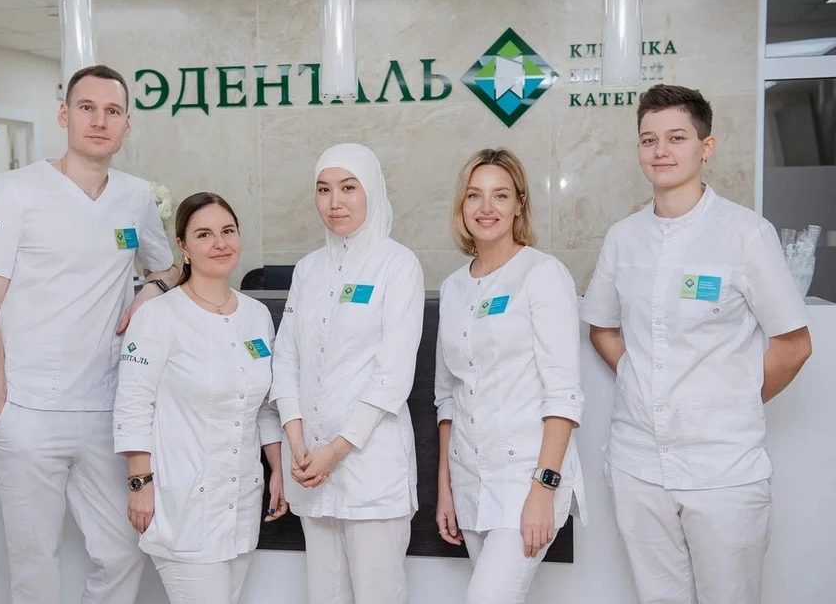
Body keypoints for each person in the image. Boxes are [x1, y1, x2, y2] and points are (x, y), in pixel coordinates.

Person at [581, 84, 813, 604]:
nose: (661, 151)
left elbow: (794, 344)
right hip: (638, 462)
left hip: (723, 468)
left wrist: (731, 400)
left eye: (676, 137)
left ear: (705, 147)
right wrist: (644, 384)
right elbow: (602, 327)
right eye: (649, 140)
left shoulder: (745, 233)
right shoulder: (623, 236)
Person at [0, 64, 178, 604]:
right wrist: (1, 414)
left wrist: (152, 290)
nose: (99, 120)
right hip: (28, 409)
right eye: (87, 108)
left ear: (127, 124)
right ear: (64, 115)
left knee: (123, 550)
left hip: (105, 410)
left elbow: (169, 266)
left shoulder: (135, 197)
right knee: (34, 563)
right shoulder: (15, 191)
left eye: (112, 111)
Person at [112, 192, 287, 604]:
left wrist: (278, 469)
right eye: (204, 234)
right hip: (183, 504)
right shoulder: (158, 316)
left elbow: (263, 405)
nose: (220, 243)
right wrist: (139, 483)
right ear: (184, 247)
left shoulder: (256, 315)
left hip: (240, 503)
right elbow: (133, 403)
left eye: (228, 231)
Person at [269, 143, 425, 604]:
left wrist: (334, 452)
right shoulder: (308, 269)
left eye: (348, 188)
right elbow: (286, 357)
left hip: (369, 470)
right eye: (323, 189)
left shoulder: (398, 265)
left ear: (371, 191)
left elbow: (392, 375)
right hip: (310, 469)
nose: (334, 201)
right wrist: (297, 441)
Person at [433, 148, 587, 604]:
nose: (487, 208)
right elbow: (447, 397)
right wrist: (446, 488)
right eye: (474, 195)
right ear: (461, 205)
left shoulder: (543, 274)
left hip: (526, 480)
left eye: (500, 195)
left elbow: (563, 395)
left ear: (520, 203)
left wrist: (543, 491)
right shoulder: (453, 287)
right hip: (469, 480)